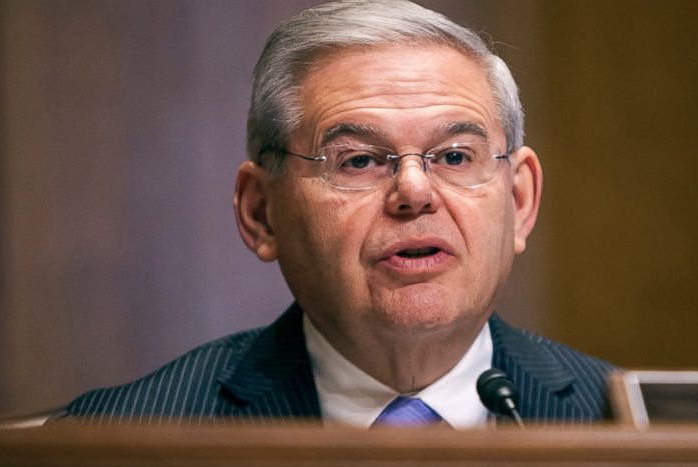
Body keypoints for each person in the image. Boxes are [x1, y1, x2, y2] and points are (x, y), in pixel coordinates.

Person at [55, 0, 616, 428]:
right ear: (261, 213)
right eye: (360, 161)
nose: (414, 191)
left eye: (453, 156)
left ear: (519, 201)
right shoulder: (122, 439)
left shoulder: (626, 424)